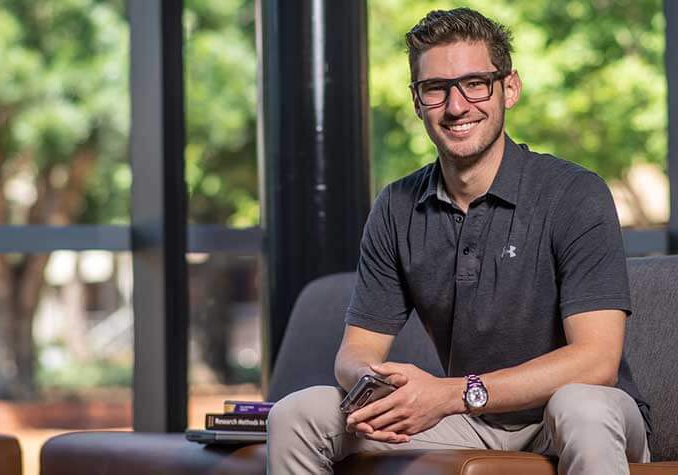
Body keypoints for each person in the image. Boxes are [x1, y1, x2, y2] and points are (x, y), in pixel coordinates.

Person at [267, 7, 651, 475]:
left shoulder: (574, 193)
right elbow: (355, 352)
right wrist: (382, 386)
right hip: (467, 420)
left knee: (580, 406)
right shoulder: (396, 207)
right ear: (416, 100)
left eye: (475, 83)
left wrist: (450, 392)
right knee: (298, 414)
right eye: (436, 89)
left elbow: (597, 362)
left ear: (509, 88)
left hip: (583, 418)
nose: (456, 106)